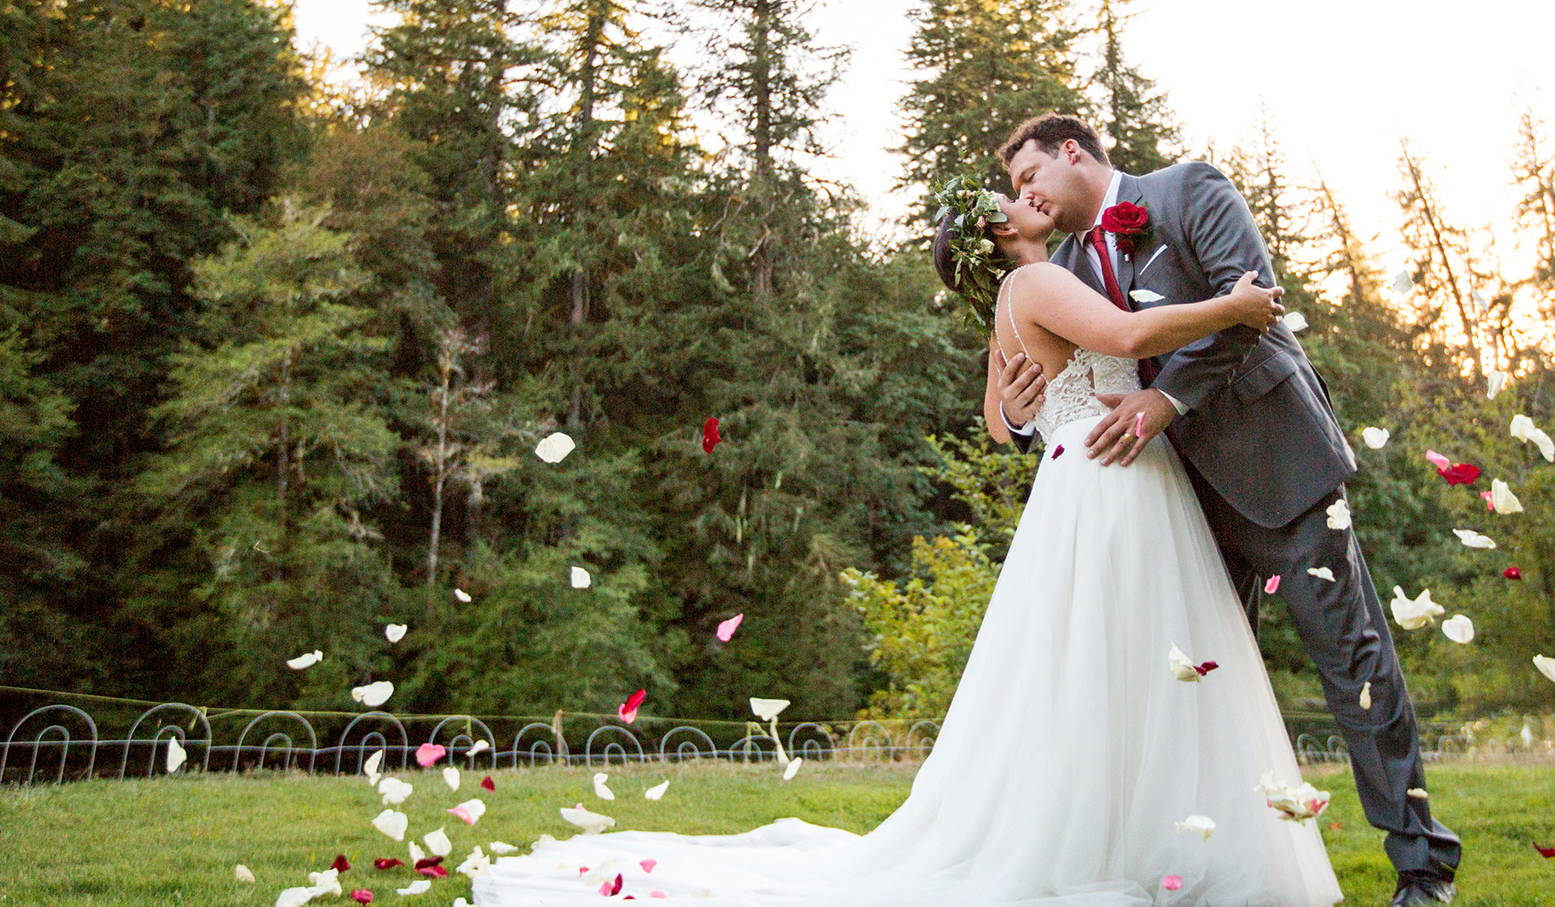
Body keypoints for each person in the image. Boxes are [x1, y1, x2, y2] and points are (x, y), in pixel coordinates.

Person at [474, 170, 1341, 906]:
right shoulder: (1036, 284)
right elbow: (1120, 336)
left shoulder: (1026, 291)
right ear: (998, 232)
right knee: (1133, 659)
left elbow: (998, 421)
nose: (1028, 194)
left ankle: (1129, 840)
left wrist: (1012, 409)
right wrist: (1232, 305)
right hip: (1113, 485)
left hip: (1095, 479)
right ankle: (1143, 845)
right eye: (1012, 195)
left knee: (1106, 666)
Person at [988, 114, 1460, 907]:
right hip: (1168, 511)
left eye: (1030, 174)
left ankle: (1422, 867)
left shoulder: (1190, 188)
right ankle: (1215, 869)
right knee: (1195, 695)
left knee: (1354, 665)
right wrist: (1018, 404)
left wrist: (1167, 397)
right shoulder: (1055, 267)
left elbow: (1254, 306)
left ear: (1074, 150)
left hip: (1278, 470)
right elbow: (1050, 389)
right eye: (1014, 190)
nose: (1024, 194)